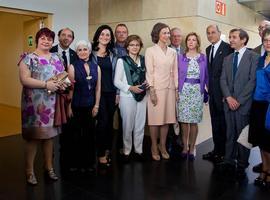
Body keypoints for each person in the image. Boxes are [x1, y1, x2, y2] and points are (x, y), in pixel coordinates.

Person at [18, 27, 67, 185]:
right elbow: (25, 80)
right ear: (38, 40)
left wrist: (63, 84)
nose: (46, 41)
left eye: (49, 39)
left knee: (49, 138)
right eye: (43, 38)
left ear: (53, 41)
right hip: (34, 104)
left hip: (52, 103)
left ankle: (49, 168)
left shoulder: (56, 56)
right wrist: (46, 84)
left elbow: (62, 75)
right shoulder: (28, 58)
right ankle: (29, 171)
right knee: (33, 139)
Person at [219, 28, 259, 179]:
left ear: (243, 40)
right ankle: (228, 160)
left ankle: (242, 164)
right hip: (228, 103)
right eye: (230, 37)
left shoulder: (253, 57)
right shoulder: (227, 58)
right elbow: (222, 79)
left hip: (244, 104)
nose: (231, 40)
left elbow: (252, 81)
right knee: (230, 133)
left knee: (243, 135)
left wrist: (239, 100)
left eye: (234, 37)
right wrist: (229, 98)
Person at [145, 22, 178, 161]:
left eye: (168, 33)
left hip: (169, 88)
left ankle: (162, 145)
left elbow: (175, 71)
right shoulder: (150, 51)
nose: (167, 35)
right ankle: (153, 146)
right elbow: (149, 71)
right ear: (157, 34)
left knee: (166, 119)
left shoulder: (173, 52)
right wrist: (151, 90)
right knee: (154, 120)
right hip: (156, 89)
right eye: (164, 32)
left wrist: (176, 89)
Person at [67, 40, 101, 172]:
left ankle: (89, 163)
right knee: (76, 135)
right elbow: (71, 89)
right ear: (76, 52)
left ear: (89, 51)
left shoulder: (96, 67)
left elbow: (98, 88)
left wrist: (97, 105)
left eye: (85, 49)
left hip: (90, 106)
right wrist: (69, 107)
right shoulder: (72, 67)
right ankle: (75, 163)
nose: (82, 52)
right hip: (76, 105)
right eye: (79, 50)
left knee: (90, 135)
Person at [202, 25, 233, 163]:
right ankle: (216, 150)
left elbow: (229, 74)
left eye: (213, 32)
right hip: (212, 93)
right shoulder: (208, 49)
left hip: (223, 93)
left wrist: (226, 94)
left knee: (224, 124)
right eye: (208, 33)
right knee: (215, 122)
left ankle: (225, 154)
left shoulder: (228, 48)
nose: (210, 35)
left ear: (219, 33)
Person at [114, 35, 147, 162]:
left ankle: (139, 150)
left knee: (140, 125)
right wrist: (130, 88)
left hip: (142, 95)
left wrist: (148, 83)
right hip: (127, 96)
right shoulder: (122, 61)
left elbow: (147, 76)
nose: (134, 47)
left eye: (137, 45)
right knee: (128, 125)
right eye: (132, 45)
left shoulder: (143, 60)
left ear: (140, 47)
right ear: (127, 47)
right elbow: (117, 81)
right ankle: (127, 150)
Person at [177, 32, 208, 160]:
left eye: (193, 40)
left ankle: (192, 147)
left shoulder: (203, 58)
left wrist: (208, 93)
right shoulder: (180, 57)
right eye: (189, 40)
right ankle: (185, 147)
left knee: (194, 122)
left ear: (197, 42)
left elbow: (207, 76)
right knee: (184, 121)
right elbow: (176, 75)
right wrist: (176, 92)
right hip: (183, 92)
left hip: (197, 92)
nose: (191, 42)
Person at [91, 25, 118, 167]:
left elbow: (118, 74)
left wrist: (118, 93)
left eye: (108, 35)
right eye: (102, 34)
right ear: (97, 36)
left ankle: (107, 150)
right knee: (102, 122)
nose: (105, 37)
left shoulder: (113, 54)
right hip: (97, 94)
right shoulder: (91, 53)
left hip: (111, 93)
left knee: (109, 124)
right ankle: (100, 154)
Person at [249, 27, 270, 189]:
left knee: (269, 142)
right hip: (258, 104)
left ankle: (268, 172)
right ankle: (264, 168)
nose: (268, 43)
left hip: (269, 105)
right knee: (261, 141)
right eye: (265, 40)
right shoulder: (261, 58)